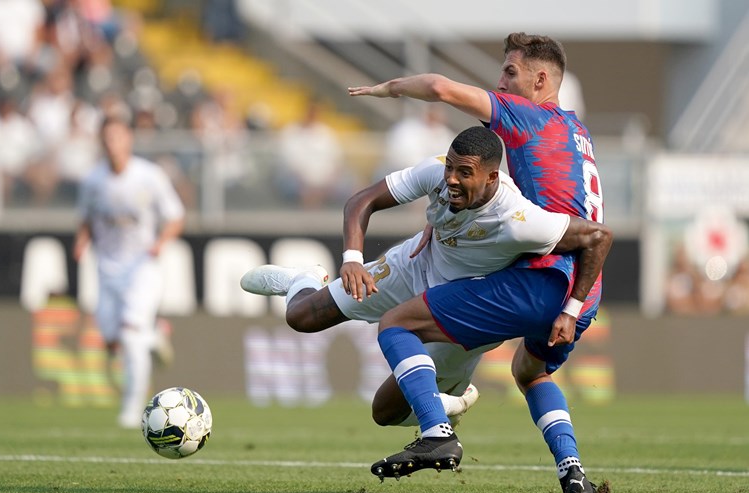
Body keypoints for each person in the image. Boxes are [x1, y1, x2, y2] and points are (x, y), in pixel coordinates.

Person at [348, 32, 609, 493]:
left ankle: (436, 431)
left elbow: (442, 88)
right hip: (586, 288)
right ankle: (572, 471)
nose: (501, 83)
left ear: (541, 79)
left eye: (510, 72)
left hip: (544, 280)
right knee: (530, 372)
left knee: (396, 322)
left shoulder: (527, 116)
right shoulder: (576, 131)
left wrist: (388, 89)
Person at [241, 126, 610, 434]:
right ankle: (303, 279)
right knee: (301, 317)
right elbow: (362, 200)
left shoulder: (519, 219)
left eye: (464, 173)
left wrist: (572, 309)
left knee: (385, 413)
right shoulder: (436, 173)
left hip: (458, 309)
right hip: (412, 268)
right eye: (450, 167)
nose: (450, 179)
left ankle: (455, 399)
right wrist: (351, 260)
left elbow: (597, 237)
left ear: (491, 178)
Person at [73, 114, 185, 429]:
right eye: (107, 138)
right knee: (112, 339)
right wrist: (81, 242)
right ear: (101, 142)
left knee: (130, 334)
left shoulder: (149, 176)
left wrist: (161, 242)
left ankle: (132, 410)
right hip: (106, 269)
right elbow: (86, 219)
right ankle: (155, 334)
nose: (112, 144)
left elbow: (175, 216)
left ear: (128, 140)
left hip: (142, 267)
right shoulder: (93, 181)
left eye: (117, 137)